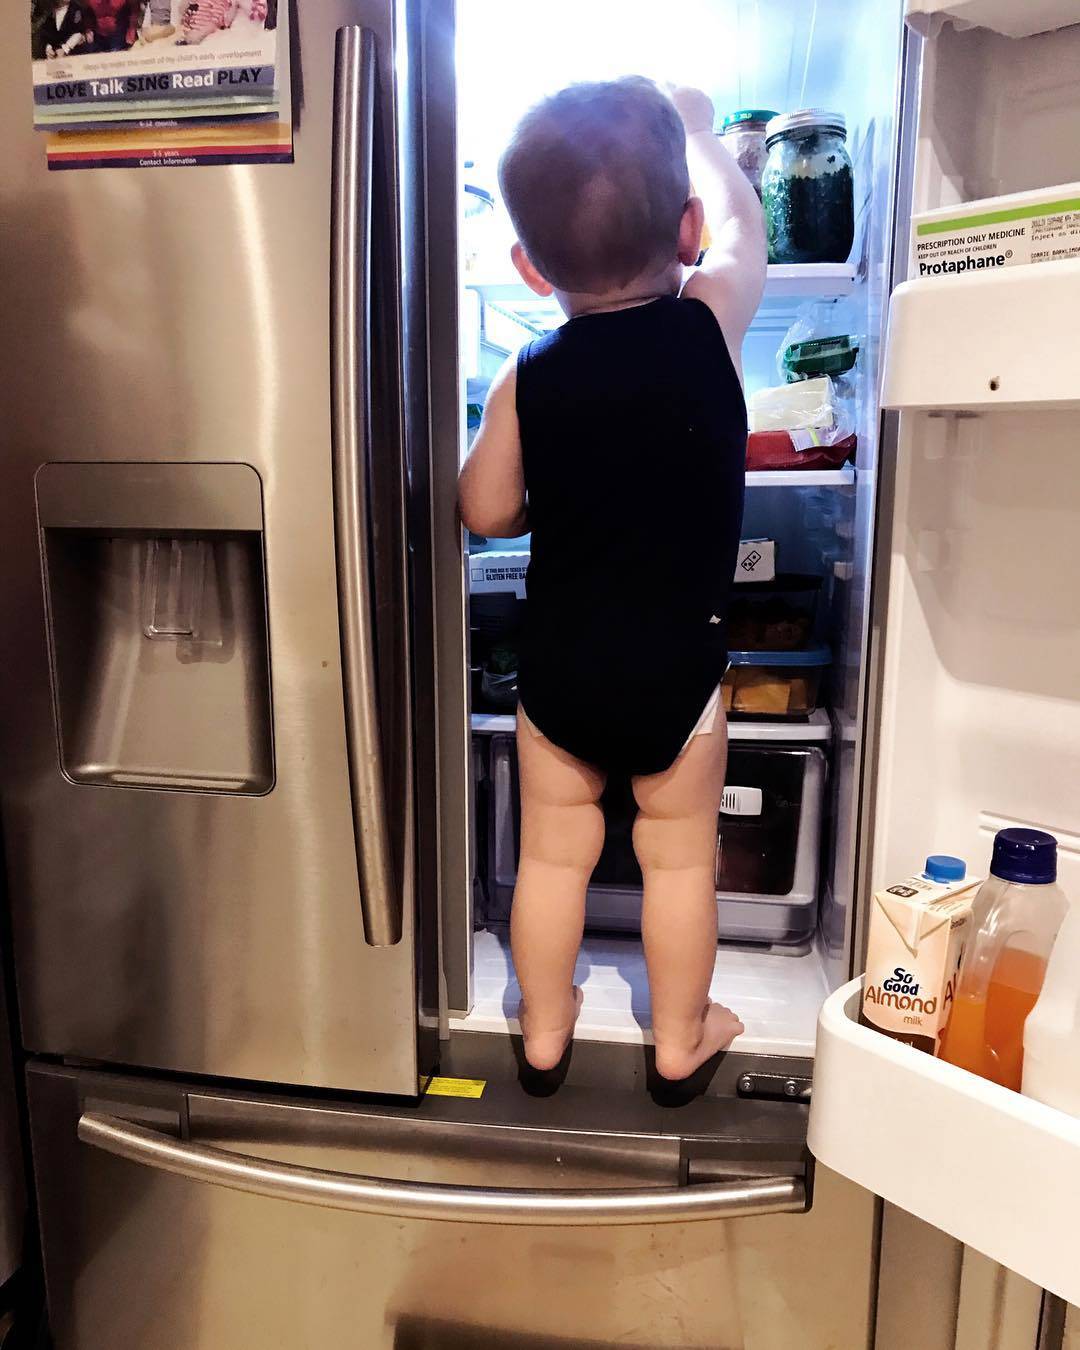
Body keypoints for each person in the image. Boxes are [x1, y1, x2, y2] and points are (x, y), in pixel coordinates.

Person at [457, 80, 766, 1080]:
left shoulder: (529, 370)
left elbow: (486, 510)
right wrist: (702, 141)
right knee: (682, 859)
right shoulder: (708, 321)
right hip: (680, 665)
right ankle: (680, 1040)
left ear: (526, 266)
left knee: (553, 853)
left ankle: (543, 1029)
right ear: (681, 230)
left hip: (561, 671)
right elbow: (743, 238)